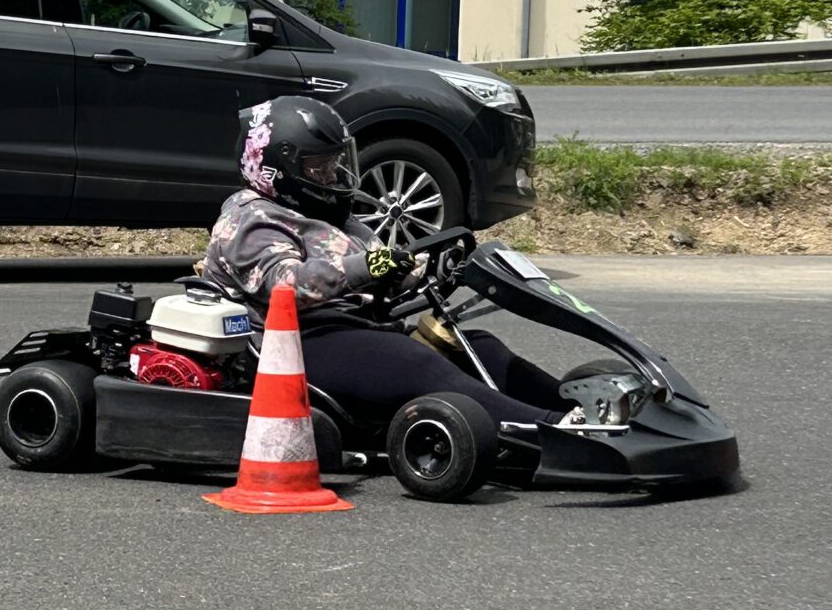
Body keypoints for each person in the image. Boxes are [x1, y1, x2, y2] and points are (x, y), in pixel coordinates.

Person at [198, 95, 580, 429]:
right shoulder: (251, 219)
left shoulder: (336, 217)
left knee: (479, 347)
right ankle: (551, 429)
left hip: (361, 327)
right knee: (416, 363)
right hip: (300, 342)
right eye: (319, 167)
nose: (332, 174)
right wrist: (369, 266)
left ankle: (580, 408)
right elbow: (286, 285)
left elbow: (385, 272)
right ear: (275, 169)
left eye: (335, 162)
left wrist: (434, 269)